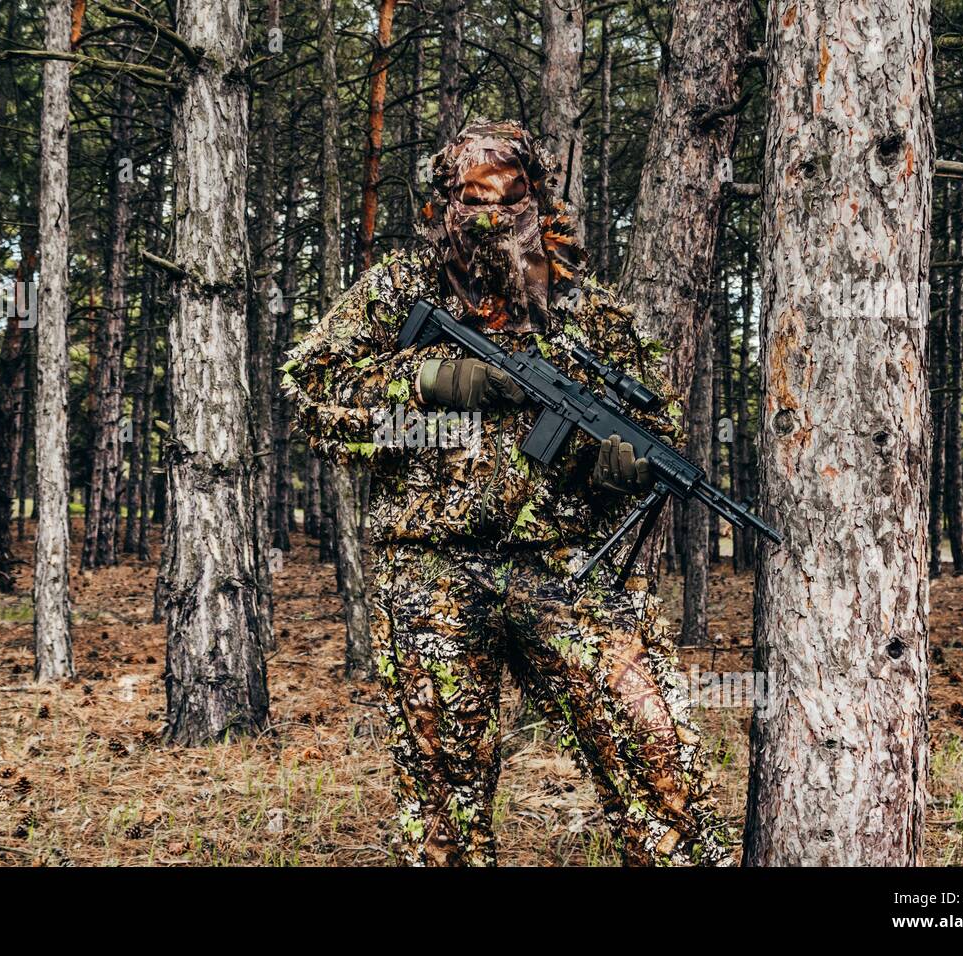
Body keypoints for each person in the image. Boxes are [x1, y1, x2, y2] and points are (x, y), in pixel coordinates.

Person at [284, 120, 731, 866]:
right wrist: (432, 380)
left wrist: (619, 468)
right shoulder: (397, 290)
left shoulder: (586, 309)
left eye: (508, 194)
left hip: (568, 569)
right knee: (443, 801)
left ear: (537, 197)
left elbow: (653, 421)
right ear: (443, 201)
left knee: (657, 757)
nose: (490, 213)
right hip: (431, 569)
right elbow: (312, 388)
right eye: (471, 196)